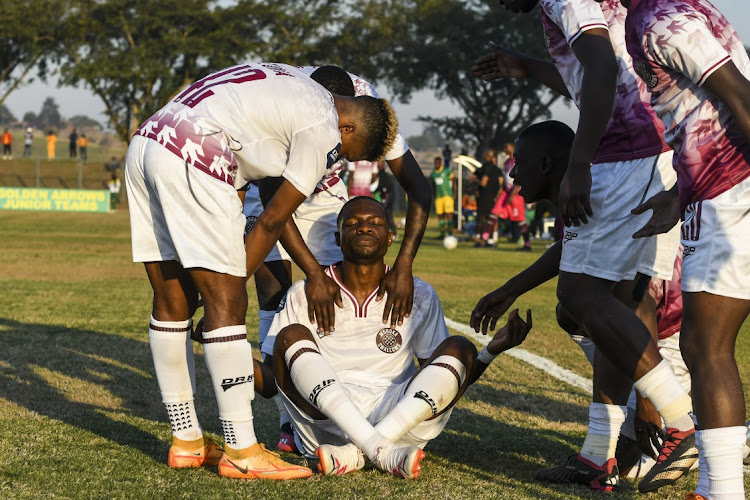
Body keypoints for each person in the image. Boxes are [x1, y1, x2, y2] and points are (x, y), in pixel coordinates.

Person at [124, 62, 398, 480]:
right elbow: (272, 220)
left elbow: (239, 166)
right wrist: (231, 282)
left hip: (149, 140)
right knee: (228, 301)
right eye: (346, 154)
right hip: (196, 151)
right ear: (349, 129)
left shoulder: (285, 78)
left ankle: (187, 441)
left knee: (172, 298)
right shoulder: (325, 125)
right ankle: (243, 451)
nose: (336, 162)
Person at [474, 0, 694, 492]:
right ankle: (599, 455)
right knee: (622, 300)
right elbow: (607, 76)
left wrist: (580, 162)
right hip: (657, 148)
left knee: (580, 297)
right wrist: (529, 67)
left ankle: (681, 420)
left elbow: (601, 66)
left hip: (626, 154)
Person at [252, 196, 532, 478]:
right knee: (290, 337)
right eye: (353, 223)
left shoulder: (418, 294)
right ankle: (380, 451)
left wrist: (489, 353)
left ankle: (359, 452)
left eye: (375, 223)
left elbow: (443, 382)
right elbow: (272, 382)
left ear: (390, 239)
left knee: (461, 348)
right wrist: (226, 344)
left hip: (398, 418)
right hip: (327, 424)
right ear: (338, 238)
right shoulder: (305, 293)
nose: (364, 228)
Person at [240, 65, 432, 453]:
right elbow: (276, 210)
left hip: (325, 196)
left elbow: (419, 187)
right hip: (273, 194)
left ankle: (344, 400)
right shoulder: (284, 99)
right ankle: (288, 419)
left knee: (336, 293)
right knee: (277, 294)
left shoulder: (367, 107)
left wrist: (405, 266)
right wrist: (311, 272)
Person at [623, 1, 750, 497]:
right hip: (715, 190)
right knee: (705, 346)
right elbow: (704, 110)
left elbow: (739, 96)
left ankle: (721, 491)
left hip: (730, 191)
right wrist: (678, 196)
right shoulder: (664, 11)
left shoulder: (661, 20)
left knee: (705, 346)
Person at [472, 148, 503, 247]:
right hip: (494, 198)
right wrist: (498, 196)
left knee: (482, 217)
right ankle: (493, 239)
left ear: (489, 156)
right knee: (493, 218)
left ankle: (481, 238)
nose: (483, 156)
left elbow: (483, 183)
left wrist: (476, 180)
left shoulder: (485, 168)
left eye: (485, 154)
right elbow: (501, 184)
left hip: (484, 197)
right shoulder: (497, 169)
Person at [430, 156, 455, 238]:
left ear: (440, 163)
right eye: (435, 163)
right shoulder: (433, 174)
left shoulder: (447, 171)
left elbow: (454, 181)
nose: (436, 165)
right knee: (440, 215)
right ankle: (442, 234)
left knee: (449, 214)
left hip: (447, 195)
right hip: (438, 197)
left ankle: (450, 233)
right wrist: (433, 195)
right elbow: (433, 185)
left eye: (437, 163)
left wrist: (454, 193)